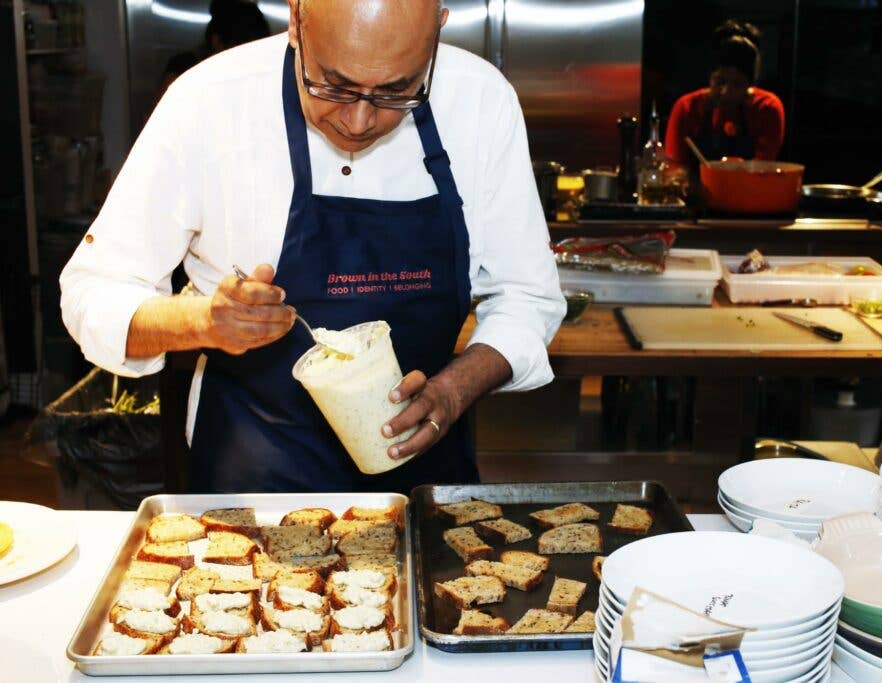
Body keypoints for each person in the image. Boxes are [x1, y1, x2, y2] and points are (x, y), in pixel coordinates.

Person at [60, 0, 565, 494]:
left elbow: (527, 299)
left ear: (437, 31)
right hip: (255, 484)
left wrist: (453, 390)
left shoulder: (480, 100)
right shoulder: (209, 101)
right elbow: (92, 291)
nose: (360, 121)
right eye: (334, 85)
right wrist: (201, 322)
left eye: (398, 92)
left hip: (426, 478)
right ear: (297, 19)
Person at [665, 20, 785, 163]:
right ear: (709, 78)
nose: (726, 92)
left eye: (737, 84)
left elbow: (762, 168)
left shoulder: (766, 107)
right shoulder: (687, 108)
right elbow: (675, 168)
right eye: (720, 81)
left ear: (750, 84)